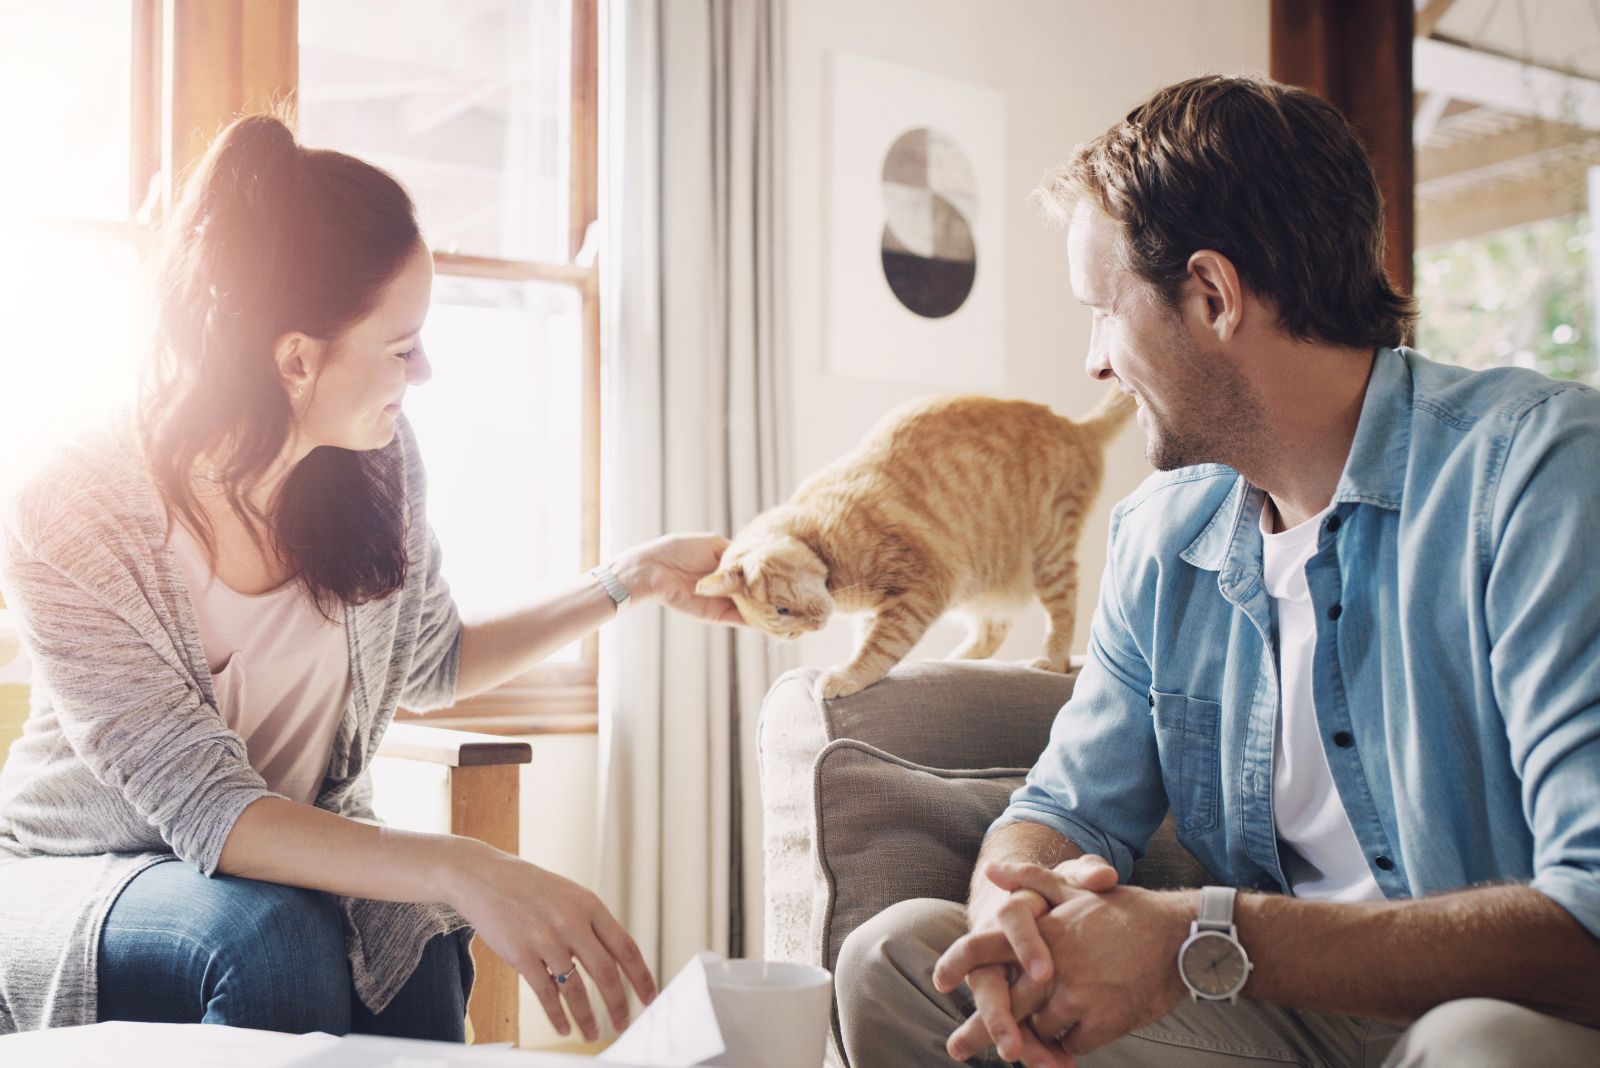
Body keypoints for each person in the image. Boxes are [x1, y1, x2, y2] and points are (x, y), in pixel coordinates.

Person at [835, 75, 1600, 1067]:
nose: (1093, 365)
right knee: (898, 961)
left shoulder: (1536, 474)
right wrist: (1012, 904)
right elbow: (1064, 810)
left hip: (1515, 1010)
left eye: (1103, 312)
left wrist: (1206, 938)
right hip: (1282, 1018)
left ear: (1212, 295)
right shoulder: (1160, 535)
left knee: (1471, 1046)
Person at [0, 114, 741, 1041]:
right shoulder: (71, 505)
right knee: (272, 939)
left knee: (412, 938)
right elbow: (210, 809)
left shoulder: (376, 462)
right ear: (296, 360)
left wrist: (627, 582)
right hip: (81, 871)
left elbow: (430, 661)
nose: (423, 370)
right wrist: (465, 864)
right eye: (401, 346)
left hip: (266, 873)